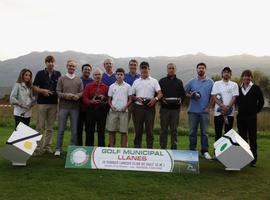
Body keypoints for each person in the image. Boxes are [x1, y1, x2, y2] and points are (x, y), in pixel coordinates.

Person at [33, 55, 61, 154]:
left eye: (52, 62)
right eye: (48, 62)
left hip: (53, 104)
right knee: (40, 126)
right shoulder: (40, 73)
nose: (50, 63)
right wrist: (42, 91)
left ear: (54, 63)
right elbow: (35, 87)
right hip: (42, 103)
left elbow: (60, 88)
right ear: (45, 63)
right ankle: (36, 148)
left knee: (50, 127)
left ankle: (46, 148)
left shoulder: (58, 74)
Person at [185, 62, 214, 159]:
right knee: (192, 132)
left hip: (204, 112)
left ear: (205, 70)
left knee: (204, 133)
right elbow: (185, 92)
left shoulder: (211, 82)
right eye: (199, 68)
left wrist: (209, 107)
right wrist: (191, 95)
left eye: (202, 68)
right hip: (193, 111)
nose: (201, 69)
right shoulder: (191, 82)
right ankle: (192, 151)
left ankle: (204, 151)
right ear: (196, 70)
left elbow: (213, 97)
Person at [55, 60, 83, 156]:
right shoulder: (61, 79)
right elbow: (58, 92)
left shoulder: (79, 80)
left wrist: (78, 96)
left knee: (74, 131)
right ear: (67, 66)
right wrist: (65, 95)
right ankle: (58, 149)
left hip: (75, 108)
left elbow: (81, 92)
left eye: (73, 66)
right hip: (63, 107)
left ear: (75, 68)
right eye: (70, 66)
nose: (72, 67)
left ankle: (73, 148)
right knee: (61, 129)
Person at [132, 61, 163, 148]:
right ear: (140, 69)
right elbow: (131, 95)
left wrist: (155, 99)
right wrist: (136, 98)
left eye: (146, 68)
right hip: (138, 107)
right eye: (142, 68)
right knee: (138, 130)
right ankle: (137, 149)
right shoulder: (136, 81)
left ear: (149, 69)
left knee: (149, 130)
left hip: (150, 107)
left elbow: (160, 93)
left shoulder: (154, 81)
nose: (144, 70)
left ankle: (150, 150)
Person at [237, 70, 264, 167]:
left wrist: (255, 111)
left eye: (249, 76)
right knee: (242, 138)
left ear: (251, 77)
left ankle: (253, 159)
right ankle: (244, 158)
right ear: (242, 77)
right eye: (245, 76)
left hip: (251, 117)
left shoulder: (255, 88)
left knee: (252, 138)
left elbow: (261, 102)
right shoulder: (238, 88)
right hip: (240, 117)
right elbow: (236, 101)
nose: (247, 78)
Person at [159, 63, 185, 149]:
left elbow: (182, 94)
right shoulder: (162, 81)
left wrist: (181, 99)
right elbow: (158, 94)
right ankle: (163, 148)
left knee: (174, 130)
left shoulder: (179, 82)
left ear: (175, 69)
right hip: (164, 109)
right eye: (169, 68)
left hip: (175, 110)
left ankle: (174, 149)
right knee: (163, 130)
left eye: (173, 68)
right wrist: (162, 99)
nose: (171, 69)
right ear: (167, 70)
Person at [211, 67, 239, 142]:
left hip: (229, 113)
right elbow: (214, 96)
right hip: (218, 113)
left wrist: (228, 107)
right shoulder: (216, 83)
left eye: (228, 72)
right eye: (225, 72)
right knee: (218, 133)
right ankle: (216, 153)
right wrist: (222, 106)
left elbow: (234, 97)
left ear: (230, 74)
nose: (226, 73)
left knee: (228, 134)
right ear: (222, 74)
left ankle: (226, 153)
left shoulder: (234, 84)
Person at [83, 68, 109, 147]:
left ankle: (101, 150)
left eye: (99, 74)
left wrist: (103, 98)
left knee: (101, 131)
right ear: (93, 76)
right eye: (96, 74)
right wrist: (91, 102)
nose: (97, 76)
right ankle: (89, 149)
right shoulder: (88, 86)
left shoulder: (106, 87)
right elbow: (84, 98)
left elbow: (109, 99)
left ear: (102, 76)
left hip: (102, 112)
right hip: (91, 111)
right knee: (89, 131)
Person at [107, 68, 132, 147]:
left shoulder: (128, 86)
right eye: (118, 74)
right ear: (115, 75)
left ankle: (123, 149)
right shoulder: (111, 86)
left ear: (124, 76)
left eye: (121, 74)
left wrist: (126, 106)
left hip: (124, 111)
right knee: (111, 130)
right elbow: (109, 100)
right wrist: (111, 106)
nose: (119, 76)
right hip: (113, 111)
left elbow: (130, 99)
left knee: (123, 132)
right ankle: (111, 148)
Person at [77, 64, 93, 146]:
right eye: (85, 69)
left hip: (89, 109)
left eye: (88, 69)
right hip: (79, 108)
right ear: (82, 70)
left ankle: (88, 147)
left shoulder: (92, 81)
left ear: (90, 71)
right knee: (79, 128)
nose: (87, 71)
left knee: (89, 129)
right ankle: (78, 146)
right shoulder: (77, 80)